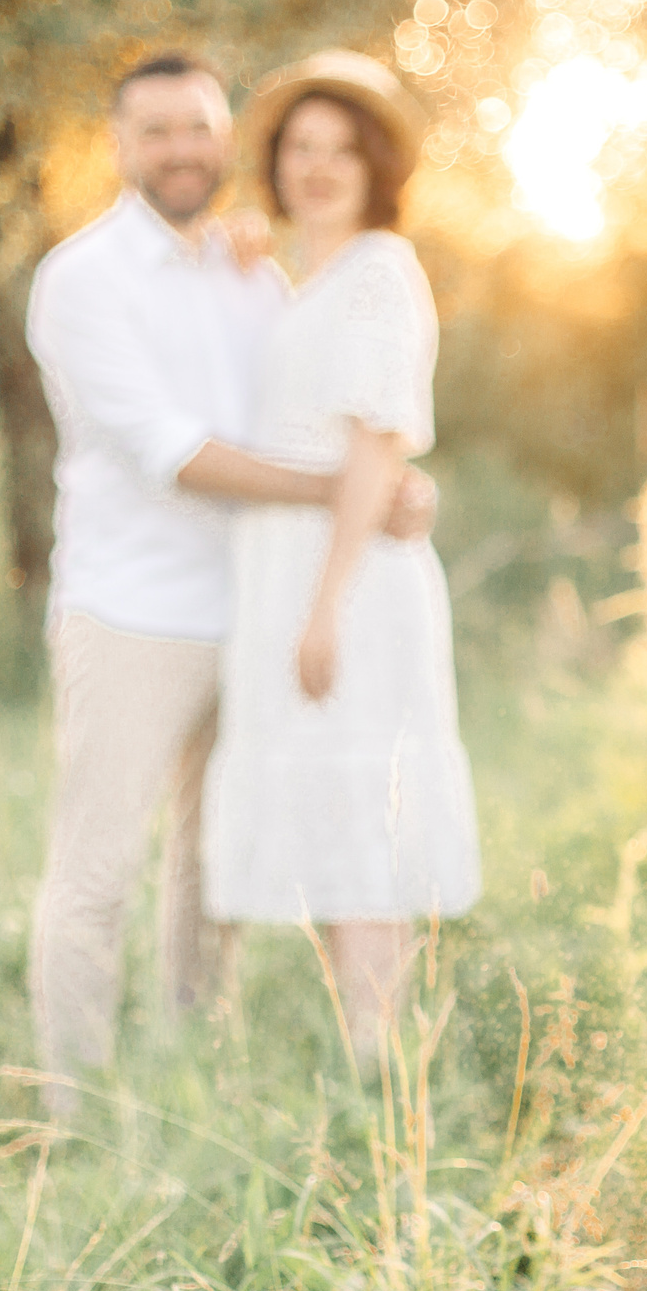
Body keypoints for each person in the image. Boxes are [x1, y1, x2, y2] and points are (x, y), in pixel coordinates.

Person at [24, 52, 437, 1105]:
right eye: (155, 130)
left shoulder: (253, 271)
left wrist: (388, 489)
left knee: (214, 874)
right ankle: (73, 1109)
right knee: (97, 874)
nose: (179, 150)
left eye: (197, 128)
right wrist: (344, 493)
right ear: (118, 144)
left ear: (221, 141)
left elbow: (336, 405)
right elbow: (175, 452)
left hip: (253, 611)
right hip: (133, 616)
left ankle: (189, 1078)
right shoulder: (83, 280)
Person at [200, 52, 482, 1060]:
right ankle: (365, 1055)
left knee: (365, 811)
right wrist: (248, 261)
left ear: (376, 166)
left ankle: (383, 1060)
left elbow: (376, 442)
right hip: (290, 570)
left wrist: (324, 606)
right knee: (325, 803)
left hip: (349, 583)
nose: (317, 168)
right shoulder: (309, 277)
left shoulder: (377, 275)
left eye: (341, 151)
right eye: (299, 148)